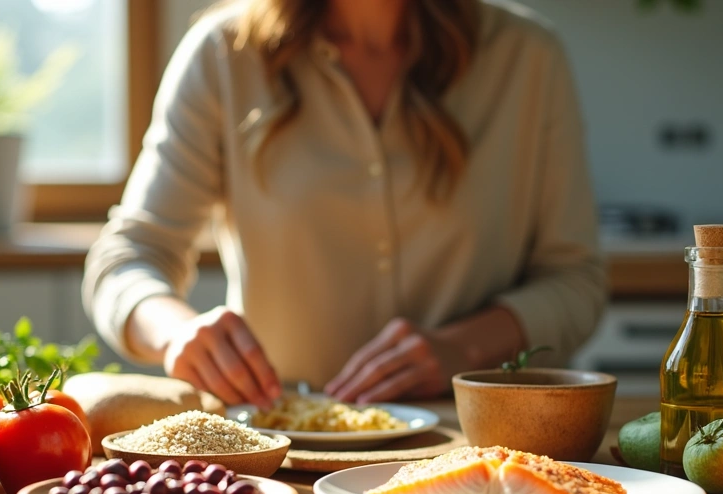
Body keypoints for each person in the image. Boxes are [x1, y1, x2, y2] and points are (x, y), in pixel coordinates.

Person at [83, 0, 606, 409]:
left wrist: (461, 349)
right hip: (280, 451)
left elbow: (576, 282)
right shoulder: (223, 55)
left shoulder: (528, 56)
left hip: (478, 441)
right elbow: (126, 260)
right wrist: (177, 333)